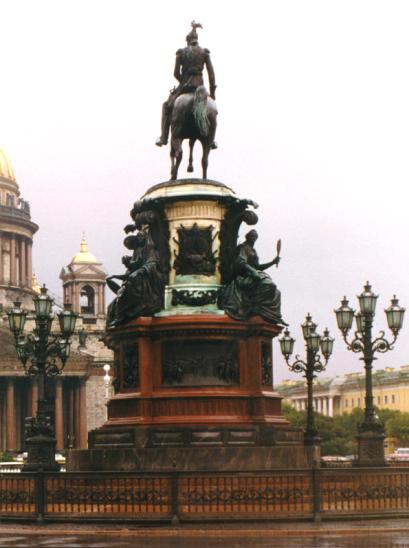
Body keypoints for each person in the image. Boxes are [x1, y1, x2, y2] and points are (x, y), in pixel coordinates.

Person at [155, 21, 217, 148]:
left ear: (188, 41)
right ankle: (211, 140)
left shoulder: (181, 52)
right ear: (196, 40)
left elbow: (175, 73)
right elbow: (211, 74)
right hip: (200, 87)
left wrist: (183, 80)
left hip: (185, 86)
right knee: (213, 110)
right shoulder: (204, 53)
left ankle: (163, 137)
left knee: (167, 106)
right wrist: (212, 93)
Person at [218, 230, 287, 325]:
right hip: (244, 277)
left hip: (253, 276)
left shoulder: (253, 250)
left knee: (276, 292)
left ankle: (263, 310)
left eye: (255, 237)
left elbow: (258, 267)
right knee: (269, 285)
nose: (254, 239)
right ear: (247, 237)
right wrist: (253, 272)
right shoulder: (243, 248)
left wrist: (272, 262)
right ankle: (252, 305)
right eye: (252, 236)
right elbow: (241, 262)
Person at [106, 232, 164, 327]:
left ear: (135, 241)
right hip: (139, 279)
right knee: (112, 305)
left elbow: (152, 263)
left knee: (127, 292)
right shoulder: (138, 250)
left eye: (132, 246)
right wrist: (116, 276)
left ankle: (120, 316)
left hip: (147, 279)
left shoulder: (149, 246)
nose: (133, 249)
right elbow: (130, 273)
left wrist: (138, 272)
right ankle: (119, 317)